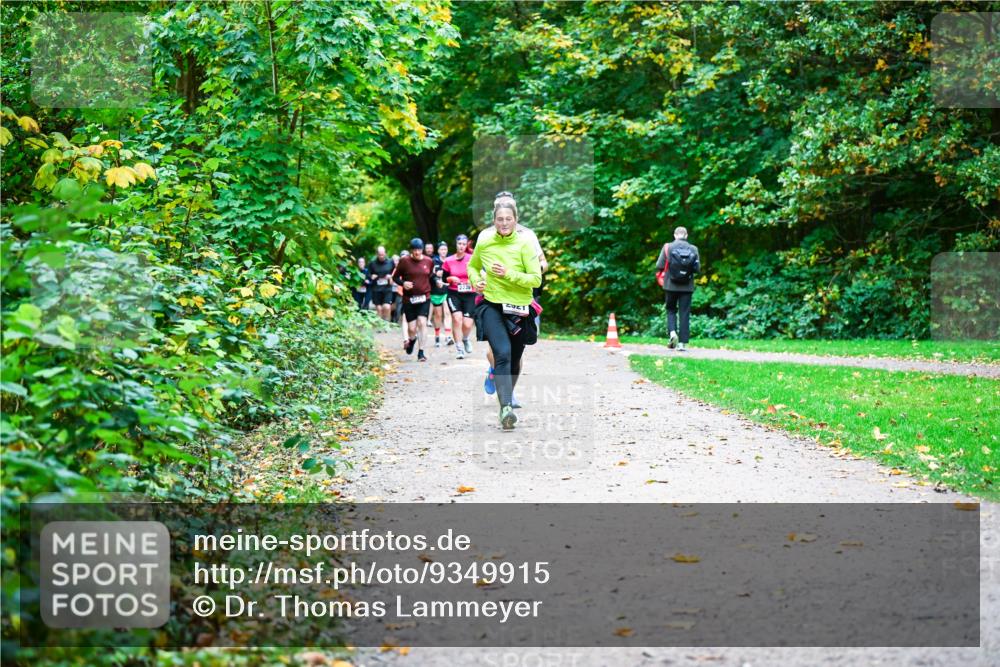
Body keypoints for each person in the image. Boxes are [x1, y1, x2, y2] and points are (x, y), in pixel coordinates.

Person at [468, 199, 542, 430]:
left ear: (515, 220)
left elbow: (536, 279)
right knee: (502, 353)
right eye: (500, 219)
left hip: (519, 308)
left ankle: (507, 396)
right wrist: (476, 282)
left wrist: (508, 274)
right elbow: (472, 266)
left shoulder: (525, 243)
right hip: (492, 305)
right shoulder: (484, 240)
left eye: (508, 219)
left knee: (515, 360)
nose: (504, 223)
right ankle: (506, 408)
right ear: (494, 221)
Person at [480, 192, 547, 405]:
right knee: (497, 351)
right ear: (494, 213)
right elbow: (477, 265)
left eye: (509, 209)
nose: (505, 220)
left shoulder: (528, 236)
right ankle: (495, 371)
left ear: (515, 213)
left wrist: (535, 270)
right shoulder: (486, 236)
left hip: (521, 296)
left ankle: (509, 394)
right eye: (500, 208)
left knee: (517, 351)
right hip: (495, 296)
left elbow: (542, 262)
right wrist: (480, 279)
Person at [656, 226, 700, 351]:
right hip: (687, 286)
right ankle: (682, 344)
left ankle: (672, 333)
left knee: (670, 309)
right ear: (686, 236)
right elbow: (697, 269)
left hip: (670, 285)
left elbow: (659, 265)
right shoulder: (694, 249)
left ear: (675, 235)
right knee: (684, 313)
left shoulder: (668, 247)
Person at [393, 238, 435, 362]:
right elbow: (395, 277)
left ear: (422, 250)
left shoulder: (428, 261)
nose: (417, 252)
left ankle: (421, 352)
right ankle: (412, 340)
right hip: (409, 299)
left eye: (419, 250)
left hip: (424, 297)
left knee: (422, 322)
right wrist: (403, 283)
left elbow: (430, 276)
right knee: (411, 328)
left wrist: (437, 280)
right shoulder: (404, 261)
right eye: (415, 250)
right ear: (411, 250)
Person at [442, 234, 476, 359]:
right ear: (456, 244)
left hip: (470, 294)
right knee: (457, 319)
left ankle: (465, 338)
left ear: (466, 245)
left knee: (467, 324)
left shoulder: (472, 259)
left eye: (464, 244)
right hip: (454, 293)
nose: (461, 246)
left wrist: (472, 280)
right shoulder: (448, 260)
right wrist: (450, 278)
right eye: (459, 244)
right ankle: (459, 348)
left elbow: (479, 274)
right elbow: (444, 278)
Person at [430, 240, 450, 347]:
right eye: (442, 249)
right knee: (438, 315)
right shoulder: (433, 261)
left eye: (445, 249)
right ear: (438, 251)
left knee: (447, 312)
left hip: (448, 289)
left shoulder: (450, 260)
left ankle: (448, 336)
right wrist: (436, 278)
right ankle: (437, 336)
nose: (443, 251)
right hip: (436, 291)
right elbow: (430, 275)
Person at [369, 246, 396, 321]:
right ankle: (380, 324)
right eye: (380, 255)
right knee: (379, 309)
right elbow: (368, 274)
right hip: (376, 289)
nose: (381, 256)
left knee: (386, 307)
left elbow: (395, 272)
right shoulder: (372, 263)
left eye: (383, 254)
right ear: (377, 254)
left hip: (387, 288)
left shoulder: (390, 262)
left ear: (385, 254)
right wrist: (371, 276)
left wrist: (390, 276)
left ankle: (387, 323)